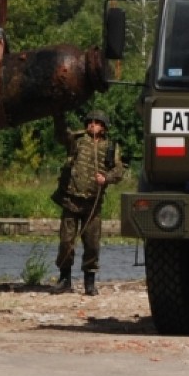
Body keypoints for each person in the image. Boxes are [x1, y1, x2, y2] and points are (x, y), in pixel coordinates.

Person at [50, 110, 124, 295]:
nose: (93, 124)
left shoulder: (110, 147)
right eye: (90, 122)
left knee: (92, 244)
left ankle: (89, 282)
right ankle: (64, 278)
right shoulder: (77, 140)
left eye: (97, 122)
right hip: (71, 200)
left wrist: (106, 178)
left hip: (93, 203)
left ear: (104, 127)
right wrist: (58, 115)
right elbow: (61, 136)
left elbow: (119, 170)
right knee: (66, 242)